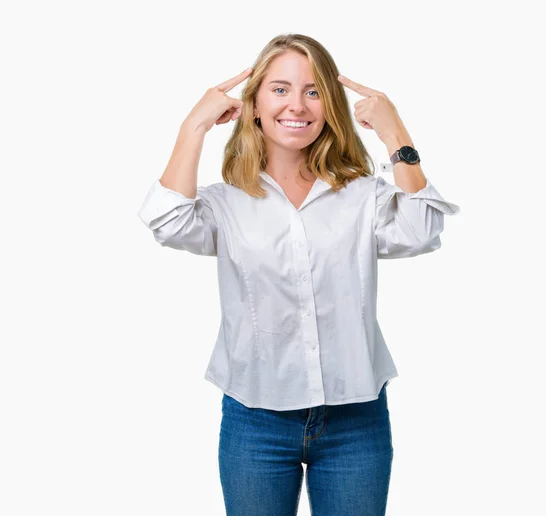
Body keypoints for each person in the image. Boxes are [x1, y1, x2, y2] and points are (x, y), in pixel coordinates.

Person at [138, 33, 460, 516]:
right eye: (280, 89)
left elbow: (421, 230)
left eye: (313, 91)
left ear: (330, 105)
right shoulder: (226, 202)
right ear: (254, 104)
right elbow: (169, 222)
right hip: (256, 419)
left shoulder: (362, 195)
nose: (298, 105)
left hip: (356, 420)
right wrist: (193, 127)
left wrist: (397, 136)